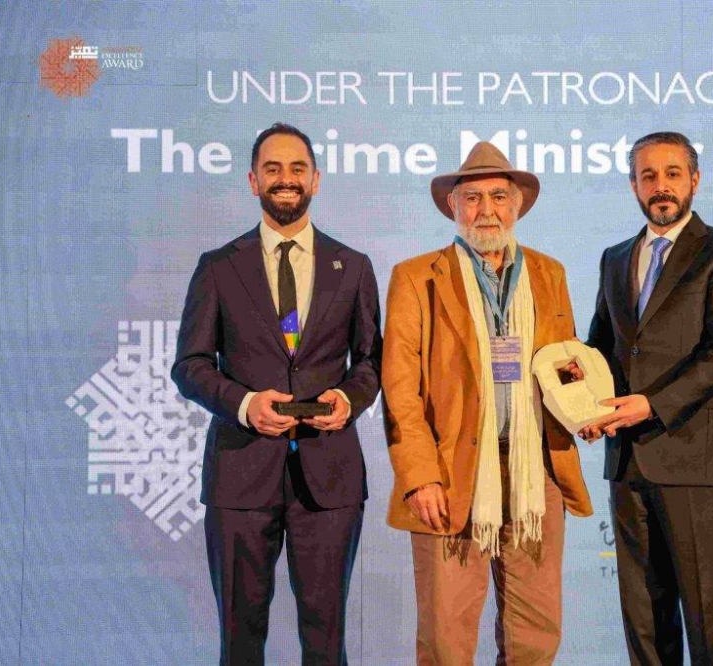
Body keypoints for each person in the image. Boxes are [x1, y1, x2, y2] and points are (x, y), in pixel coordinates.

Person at [171, 123, 382, 665]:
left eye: (296, 169)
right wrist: (244, 404)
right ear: (252, 181)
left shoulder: (353, 266)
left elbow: (372, 363)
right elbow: (190, 366)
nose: (285, 180)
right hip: (240, 477)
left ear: (316, 180)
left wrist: (349, 401)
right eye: (272, 169)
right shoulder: (219, 267)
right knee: (240, 639)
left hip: (329, 478)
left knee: (326, 638)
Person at [382, 142, 593, 665]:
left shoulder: (550, 274)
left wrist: (583, 412)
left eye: (499, 196)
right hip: (451, 476)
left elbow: (563, 366)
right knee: (447, 638)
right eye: (472, 198)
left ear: (517, 204)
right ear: (452, 207)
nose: (487, 210)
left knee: (536, 634)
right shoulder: (417, 277)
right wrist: (419, 475)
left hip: (534, 473)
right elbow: (400, 388)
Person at [580, 132, 713, 665]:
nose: (661, 186)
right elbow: (602, 348)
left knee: (709, 621)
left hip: (697, 462)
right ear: (633, 184)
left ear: (695, 180)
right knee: (645, 622)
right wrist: (586, 405)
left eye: (673, 173)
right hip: (629, 463)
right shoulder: (615, 258)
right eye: (648, 175)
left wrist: (651, 405)